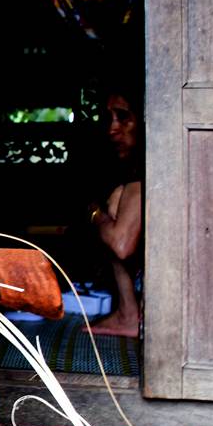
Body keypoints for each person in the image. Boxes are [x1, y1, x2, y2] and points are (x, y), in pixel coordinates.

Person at [87, 90, 143, 337]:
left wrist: (95, 214)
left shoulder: (148, 166)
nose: (112, 129)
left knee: (114, 212)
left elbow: (121, 244)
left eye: (123, 117)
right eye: (108, 119)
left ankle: (129, 315)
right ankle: (127, 313)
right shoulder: (129, 168)